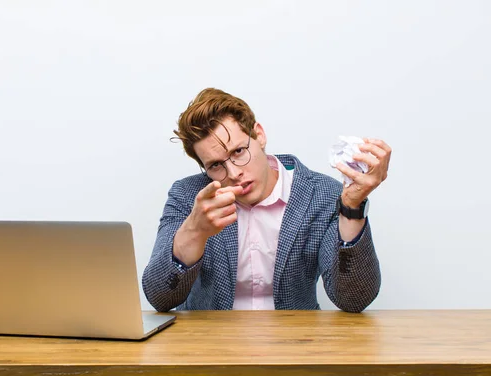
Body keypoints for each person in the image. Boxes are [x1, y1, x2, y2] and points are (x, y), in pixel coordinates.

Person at [142, 88, 391, 313]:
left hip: (295, 347)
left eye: (238, 151)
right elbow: (160, 298)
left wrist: (352, 208)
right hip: (209, 348)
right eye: (216, 165)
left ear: (259, 135)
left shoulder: (322, 194)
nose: (233, 173)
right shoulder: (188, 197)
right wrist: (194, 231)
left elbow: (354, 299)